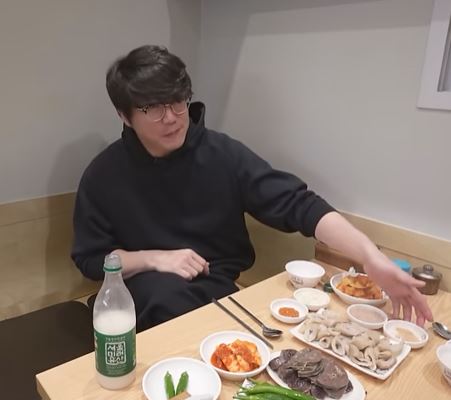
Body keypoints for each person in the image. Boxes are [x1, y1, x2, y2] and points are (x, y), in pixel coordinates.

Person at [72, 45, 432, 332]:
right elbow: (91, 259)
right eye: (153, 108)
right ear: (124, 115)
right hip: (144, 298)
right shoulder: (104, 173)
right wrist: (155, 258)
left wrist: (369, 256)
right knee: (161, 293)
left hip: (218, 292)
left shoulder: (222, 154)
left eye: (178, 101)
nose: (171, 117)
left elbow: (299, 205)